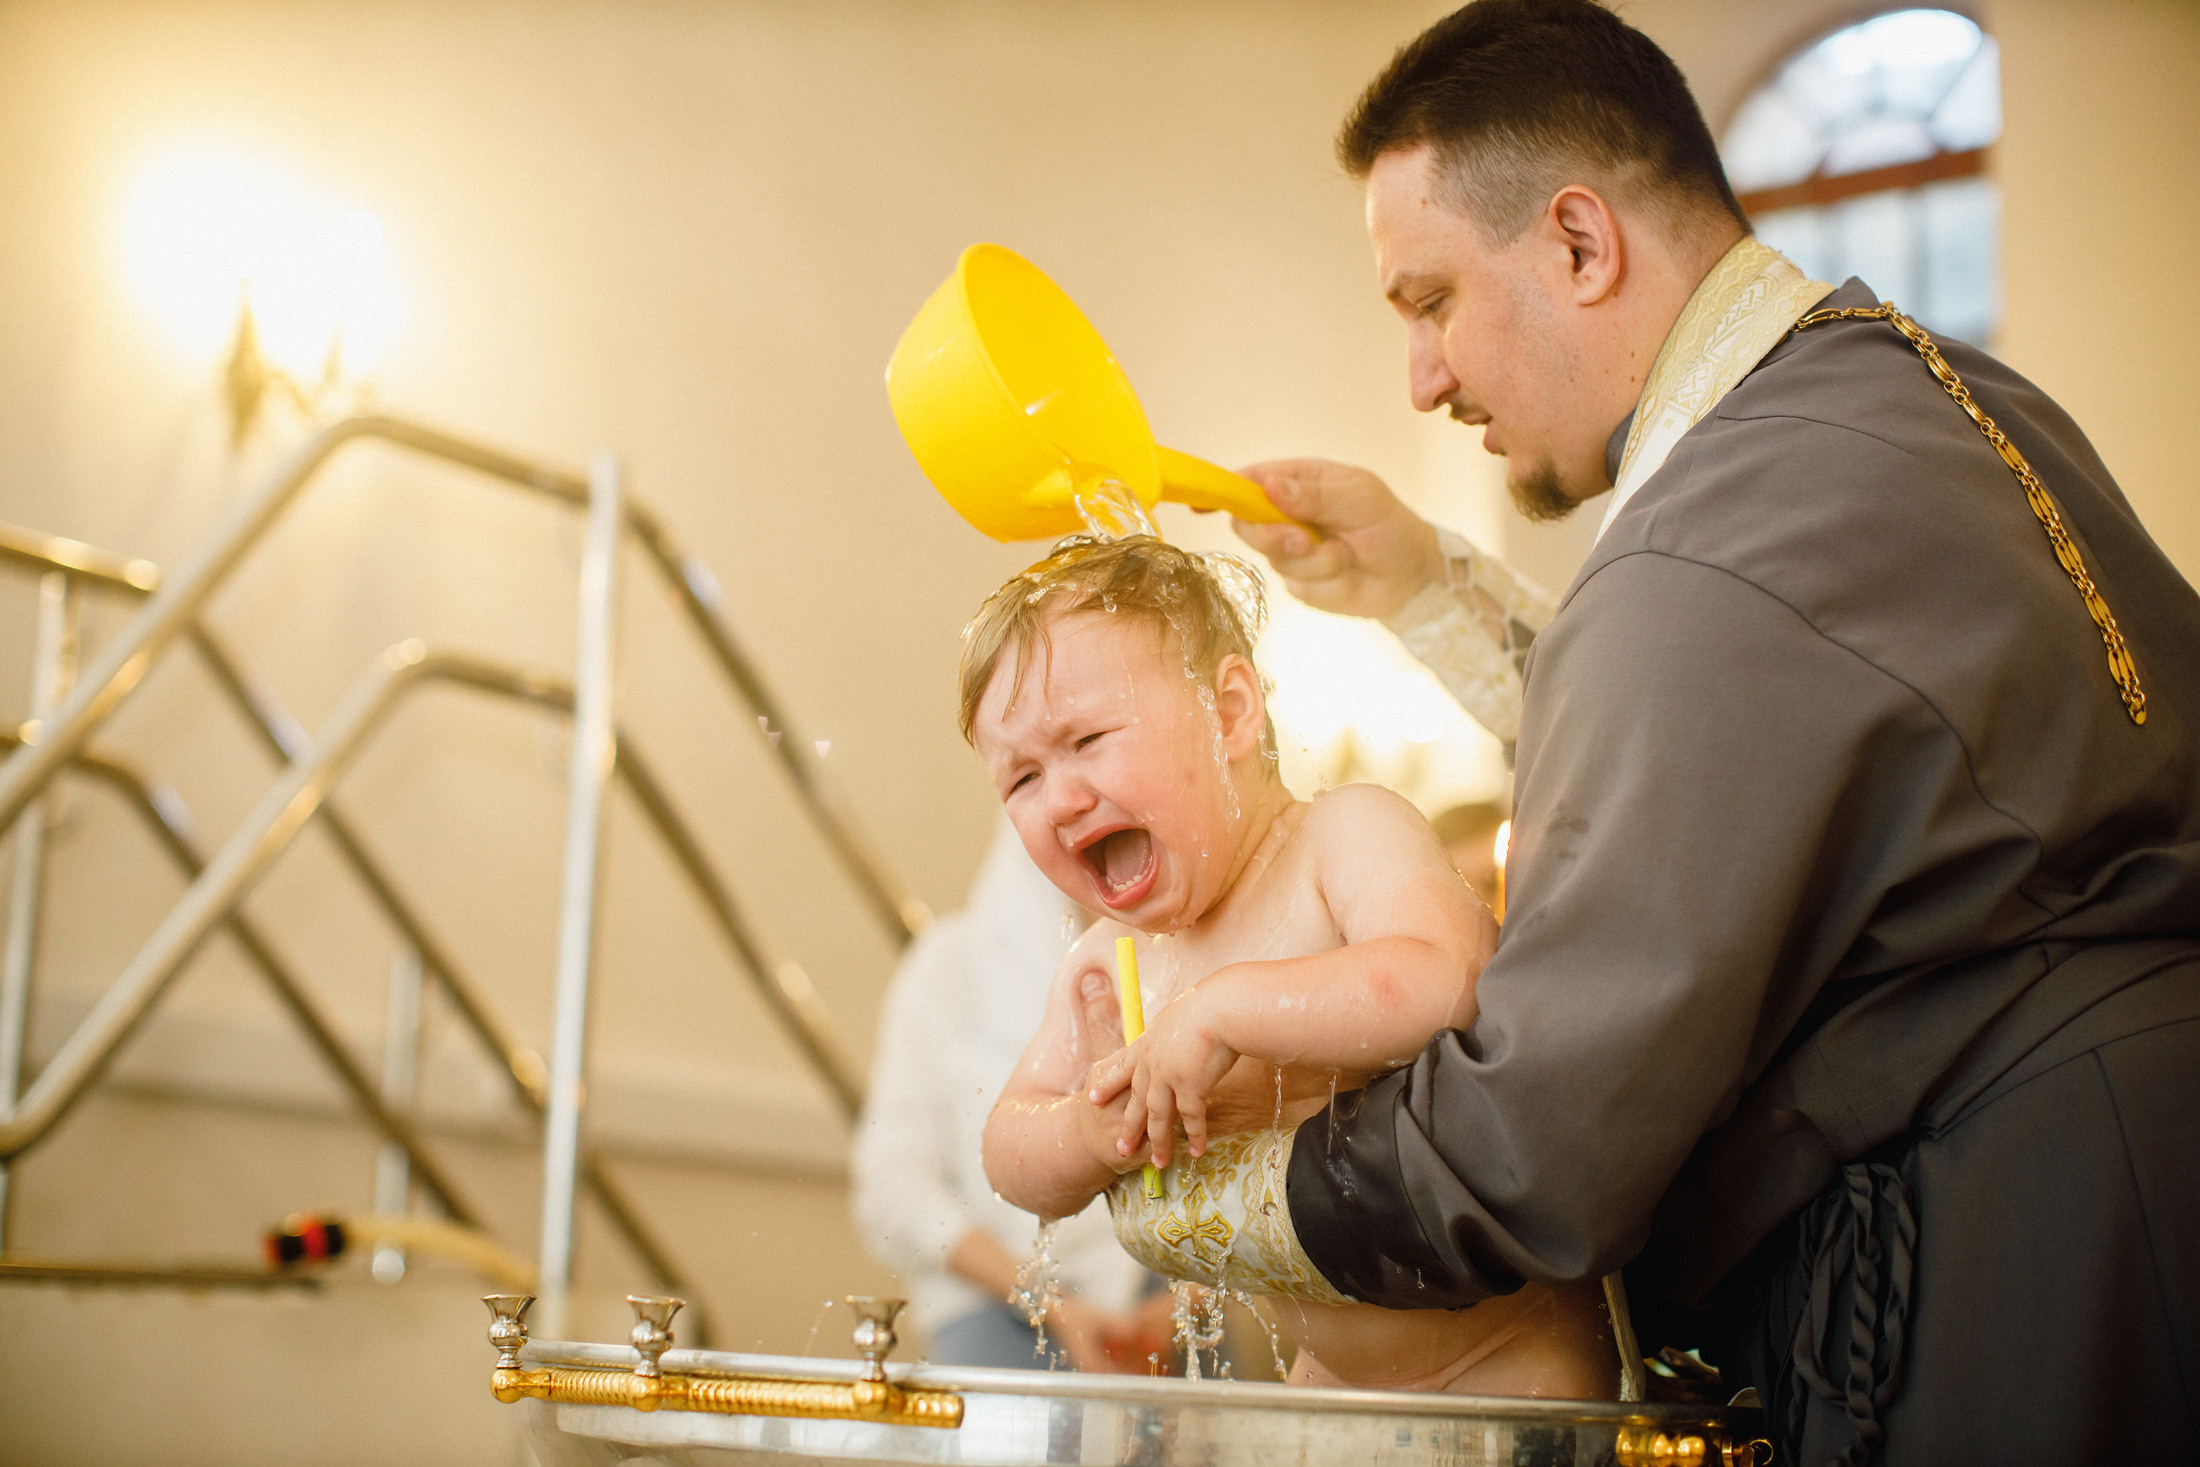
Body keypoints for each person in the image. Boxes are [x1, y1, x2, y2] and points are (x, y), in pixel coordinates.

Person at [1196, 2, 2200, 1462]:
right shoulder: (1928, 393)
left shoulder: (1705, 554)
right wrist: (1424, 584)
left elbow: (1537, 1147)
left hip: (2028, 1251)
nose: (1422, 375)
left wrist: (1184, 1186)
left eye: (1429, 302)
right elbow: (1762, 759)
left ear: (1581, 244)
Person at [969, 533, 1618, 1396]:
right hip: (1332, 1379)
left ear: (1230, 713)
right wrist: (1090, 1131)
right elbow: (1011, 1150)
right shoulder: (1109, 965)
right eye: (1020, 779)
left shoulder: (1340, 837)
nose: (1062, 796)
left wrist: (1222, 1010)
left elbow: (1445, 977)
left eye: (1088, 738)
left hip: (1506, 1355)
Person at [850, 817, 1167, 1372]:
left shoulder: (1180, 959)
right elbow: (892, 1185)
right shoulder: (946, 970)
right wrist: (1045, 1298)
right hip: (992, 1302)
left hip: (1159, 1306)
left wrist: (1190, 1295)